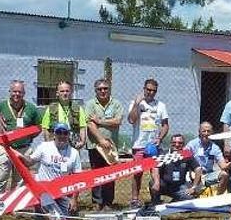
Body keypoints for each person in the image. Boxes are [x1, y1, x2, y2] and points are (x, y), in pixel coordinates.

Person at [0, 80, 41, 196]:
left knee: (19, 181)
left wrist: (29, 136)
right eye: (14, 91)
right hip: (5, 148)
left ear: (24, 93)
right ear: (9, 92)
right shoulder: (0, 106)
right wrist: (0, 136)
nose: (17, 94)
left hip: (23, 149)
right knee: (0, 178)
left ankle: (15, 208)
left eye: (20, 92)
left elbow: (38, 127)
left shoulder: (31, 108)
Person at [23, 123, 82, 214]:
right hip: (43, 189)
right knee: (50, 215)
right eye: (59, 132)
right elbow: (29, 162)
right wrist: (16, 154)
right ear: (54, 134)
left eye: (65, 133)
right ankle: (40, 209)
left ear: (68, 135)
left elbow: (78, 178)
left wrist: (74, 199)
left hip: (61, 191)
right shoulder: (44, 146)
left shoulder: (74, 153)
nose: (62, 136)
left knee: (66, 215)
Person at [127, 78, 169, 206]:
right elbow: (131, 120)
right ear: (144, 89)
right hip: (139, 145)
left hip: (153, 145)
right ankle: (135, 199)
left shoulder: (161, 105)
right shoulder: (137, 103)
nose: (150, 92)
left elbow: (165, 125)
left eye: (153, 91)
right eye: (148, 89)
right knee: (137, 173)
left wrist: (160, 138)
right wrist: (136, 104)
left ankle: (155, 198)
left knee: (156, 172)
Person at [85, 78, 124, 211]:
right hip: (95, 145)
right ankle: (97, 201)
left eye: (105, 88)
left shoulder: (116, 104)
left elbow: (117, 121)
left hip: (111, 146)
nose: (103, 91)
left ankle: (108, 202)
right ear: (95, 91)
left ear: (109, 89)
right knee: (96, 173)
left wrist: (100, 121)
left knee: (110, 174)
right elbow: (90, 124)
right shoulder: (90, 104)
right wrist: (101, 140)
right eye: (99, 89)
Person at [149, 134, 201, 204]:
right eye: (174, 142)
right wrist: (156, 182)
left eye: (180, 143)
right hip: (164, 185)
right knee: (152, 183)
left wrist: (194, 187)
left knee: (191, 199)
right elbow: (155, 168)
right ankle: (156, 202)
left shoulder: (187, 155)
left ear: (184, 144)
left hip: (179, 187)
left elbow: (198, 169)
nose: (177, 145)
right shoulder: (163, 154)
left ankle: (173, 202)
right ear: (170, 143)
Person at [186, 122, 230, 195]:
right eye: (204, 131)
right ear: (199, 131)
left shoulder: (215, 148)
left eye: (208, 131)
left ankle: (218, 198)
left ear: (212, 133)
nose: (206, 133)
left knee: (224, 175)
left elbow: (223, 166)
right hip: (193, 174)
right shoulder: (191, 145)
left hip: (207, 175)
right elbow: (183, 158)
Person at [40, 80, 87, 148]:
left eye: (67, 91)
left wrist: (82, 142)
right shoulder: (50, 108)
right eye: (62, 91)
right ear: (57, 93)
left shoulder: (78, 108)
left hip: (73, 144)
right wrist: (48, 144)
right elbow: (45, 128)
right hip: (55, 144)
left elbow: (83, 127)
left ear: (71, 92)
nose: (65, 93)